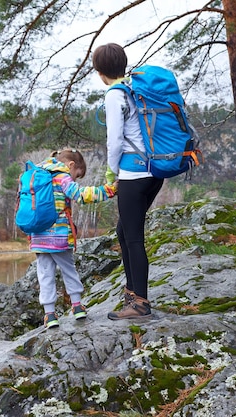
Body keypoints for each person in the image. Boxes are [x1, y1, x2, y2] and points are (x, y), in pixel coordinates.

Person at [92, 43, 164, 320]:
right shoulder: (136, 89)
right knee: (124, 231)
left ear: (100, 72)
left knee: (133, 238)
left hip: (133, 175)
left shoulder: (114, 95)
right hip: (154, 173)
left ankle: (140, 304)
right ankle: (132, 292)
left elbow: (114, 141)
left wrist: (113, 174)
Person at [29, 149, 117, 328]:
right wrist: (108, 190)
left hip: (38, 236)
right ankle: (77, 306)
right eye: (77, 175)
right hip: (59, 235)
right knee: (69, 270)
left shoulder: (36, 174)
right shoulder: (62, 177)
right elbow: (81, 195)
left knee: (45, 274)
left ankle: (50, 315)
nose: (75, 179)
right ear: (71, 165)